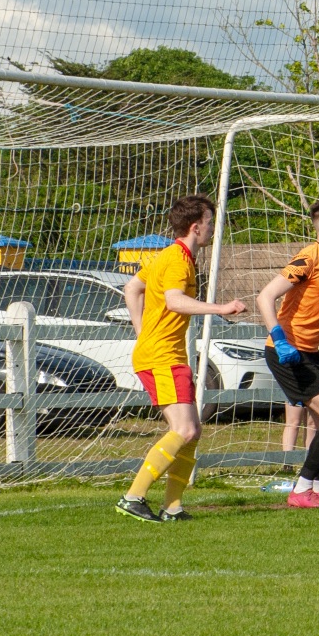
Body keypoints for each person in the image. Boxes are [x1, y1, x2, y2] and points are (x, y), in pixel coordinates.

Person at [113, 195, 250, 523]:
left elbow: (132, 288)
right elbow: (174, 301)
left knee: (193, 430)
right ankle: (133, 497)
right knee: (185, 429)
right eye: (209, 222)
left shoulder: (170, 255)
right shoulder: (176, 260)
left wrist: (142, 331)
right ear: (195, 226)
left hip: (164, 352)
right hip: (161, 356)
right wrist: (221, 308)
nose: (212, 229)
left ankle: (172, 507)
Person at [257, 198, 319, 508]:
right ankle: (301, 490)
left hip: (311, 351)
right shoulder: (307, 258)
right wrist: (279, 339)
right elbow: (265, 297)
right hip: (288, 352)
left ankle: (317, 487)